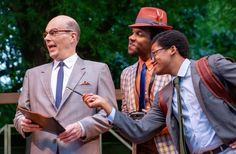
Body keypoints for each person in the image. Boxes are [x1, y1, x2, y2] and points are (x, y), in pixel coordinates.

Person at [83, 30, 236, 154]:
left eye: (155, 52)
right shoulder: (164, 96)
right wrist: (105, 105)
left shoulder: (210, 67)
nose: (152, 58)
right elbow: (139, 131)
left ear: (172, 50)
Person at [13, 15, 117, 154]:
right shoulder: (32, 75)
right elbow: (20, 113)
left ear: (72, 36)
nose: (46, 38)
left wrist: (83, 127)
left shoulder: (98, 70)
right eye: (46, 34)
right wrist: (22, 123)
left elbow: (109, 114)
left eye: (53, 32)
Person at [121, 7, 176, 154]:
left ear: (155, 41)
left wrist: (154, 126)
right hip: (138, 148)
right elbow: (125, 110)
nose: (131, 37)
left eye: (139, 34)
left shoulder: (172, 71)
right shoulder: (126, 73)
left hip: (169, 148)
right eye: (133, 33)